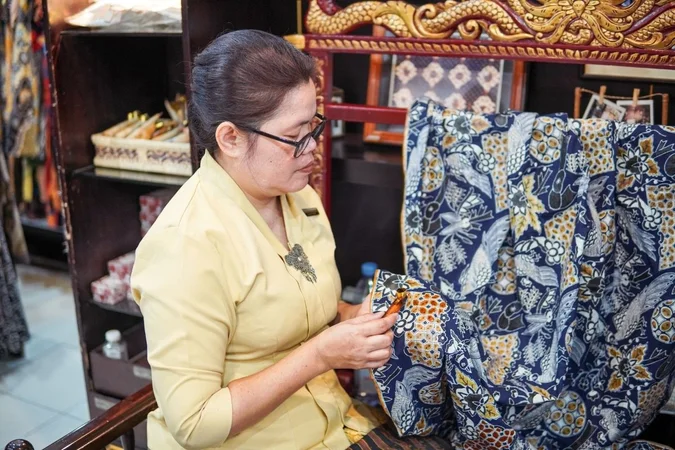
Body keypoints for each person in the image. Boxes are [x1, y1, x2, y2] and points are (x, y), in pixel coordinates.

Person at [130, 29, 397, 450]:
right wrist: (321, 355)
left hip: (335, 423)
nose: (312, 149)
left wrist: (352, 317)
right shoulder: (186, 245)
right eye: (295, 137)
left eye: (314, 127)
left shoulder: (298, 197)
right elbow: (194, 424)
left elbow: (303, 312)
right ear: (231, 138)